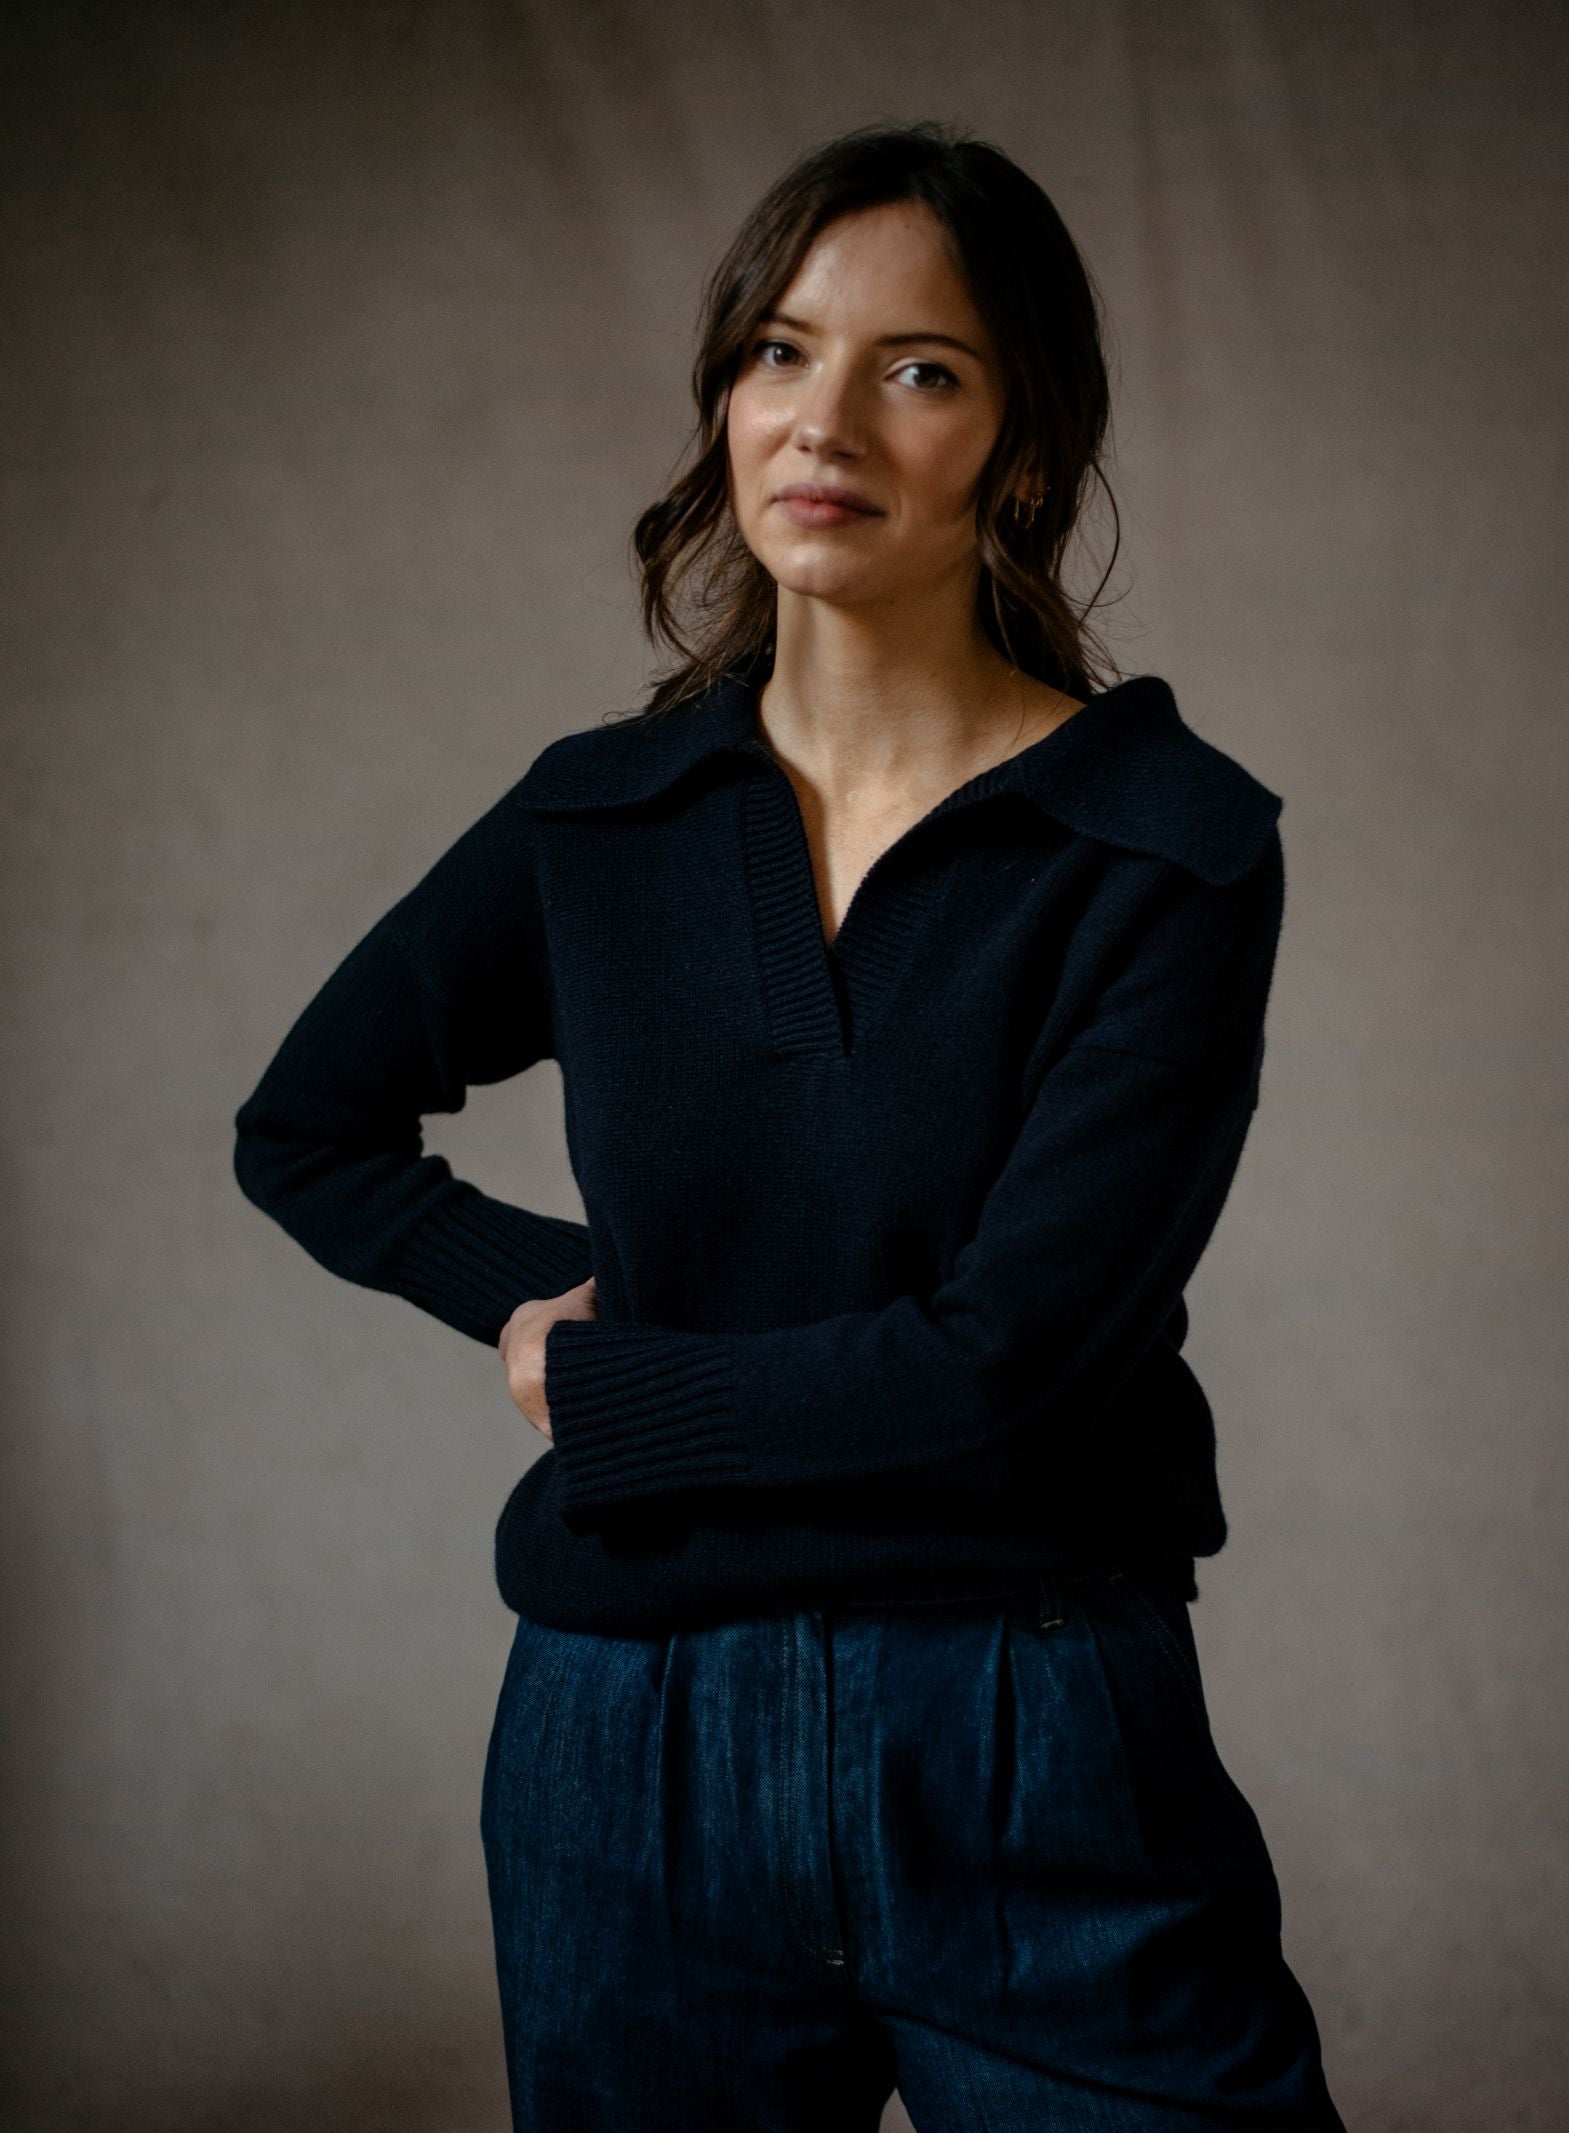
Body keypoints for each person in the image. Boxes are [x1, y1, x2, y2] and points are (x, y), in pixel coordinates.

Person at [234, 121, 1346, 2132]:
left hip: (1023, 1722)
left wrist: (615, 1389)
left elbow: (1002, 1370)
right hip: (622, 1734)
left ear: (1014, 444)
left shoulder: (1162, 851)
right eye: (775, 350)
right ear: (722, 398)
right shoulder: (603, 816)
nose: (821, 417)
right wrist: (538, 1291)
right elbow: (306, 1126)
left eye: (915, 366)